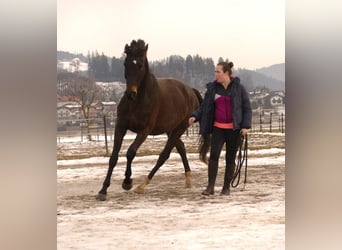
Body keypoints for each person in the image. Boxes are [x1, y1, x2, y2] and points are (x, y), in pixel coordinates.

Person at [188, 61, 252, 195]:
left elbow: (247, 108)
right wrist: (195, 116)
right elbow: (204, 107)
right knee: (214, 156)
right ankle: (210, 187)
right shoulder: (213, 89)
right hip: (218, 128)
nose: (216, 74)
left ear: (227, 73)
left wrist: (245, 126)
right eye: (215, 72)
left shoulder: (239, 88)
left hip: (234, 130)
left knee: (230, 158)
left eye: (218, 72)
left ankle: (226, 188)